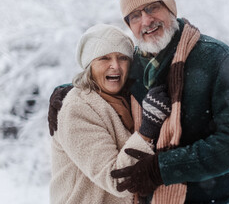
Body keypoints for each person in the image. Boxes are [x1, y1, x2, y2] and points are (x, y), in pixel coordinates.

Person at [48, 0, 229, 204]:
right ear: (129, 25)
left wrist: (163, 168)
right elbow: (106, 82)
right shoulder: (137, 66)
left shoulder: (214, 58)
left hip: (215, 198)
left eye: (152, 8)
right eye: (135, 15)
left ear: (170, 8)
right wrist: (69, 90)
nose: (146, 20)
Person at [49, 24, 171, 204]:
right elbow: (117, 179)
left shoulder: (130, 101)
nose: (115, 66)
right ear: (89, 66)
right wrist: (147, 130)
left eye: (122, 58)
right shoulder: (76, 109)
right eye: (104, 58)